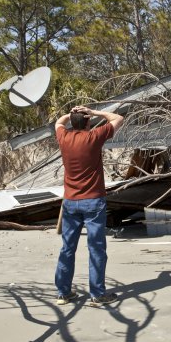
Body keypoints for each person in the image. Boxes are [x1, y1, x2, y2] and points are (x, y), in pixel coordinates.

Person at [54, 105, 124, 306]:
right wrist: (95, 112)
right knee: (96, 248)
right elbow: (118, 118)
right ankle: (97, 294)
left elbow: (58, 122)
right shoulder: (93, 137)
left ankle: (63, 293)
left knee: (67, 248)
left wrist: (72, 114)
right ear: (88, 122)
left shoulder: (64, 138)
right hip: (93, 201)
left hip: (70, 202)